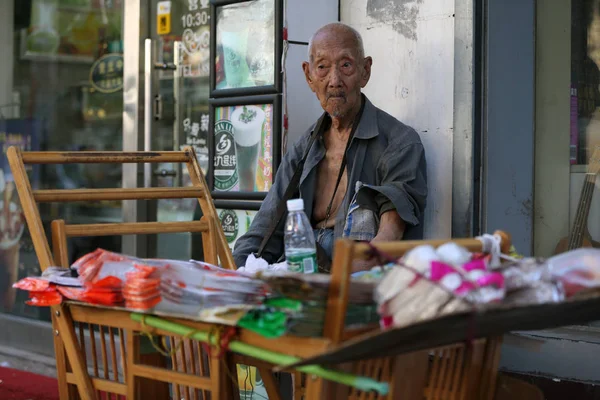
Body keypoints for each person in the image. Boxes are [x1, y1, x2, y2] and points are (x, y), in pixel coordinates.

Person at [233, 22, 427, 272]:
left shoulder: (399, 142)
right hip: (302, 274)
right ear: (309, 76)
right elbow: (264, 227)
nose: (334, 80)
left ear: (364, 71)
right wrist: (237, 271)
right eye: (323, 67)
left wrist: (339, 283)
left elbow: (388, 239)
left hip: (358, 281)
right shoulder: (304, 148)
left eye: (346, 65)